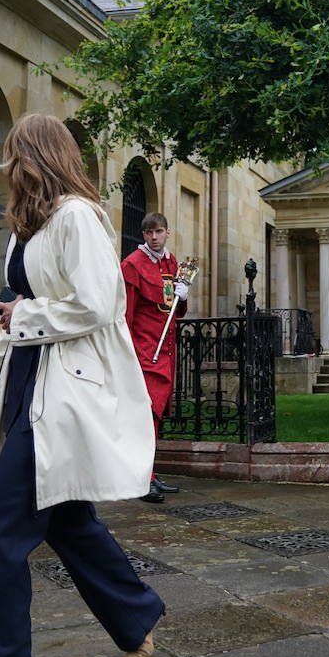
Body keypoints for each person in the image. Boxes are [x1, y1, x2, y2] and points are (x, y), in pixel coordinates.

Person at [0, 114, 164, 657]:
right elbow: (25, 321)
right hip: (29, 379)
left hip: (64, 392)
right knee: (66, 520)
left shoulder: (78, 216)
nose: (9, 166)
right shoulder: (28, 226)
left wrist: (24, 313)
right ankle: (136, 618)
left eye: (17, 155)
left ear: (42, 157)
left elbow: (95, 305)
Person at [121, 212, 193, 503]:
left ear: (167, 233)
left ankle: (148, 474)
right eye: (149, 232)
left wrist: (183, 296)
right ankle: (140, 479)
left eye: (159, 232)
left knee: (156, 415)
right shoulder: (131, 265)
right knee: (145, 416)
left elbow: (174, 310)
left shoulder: (172, 263)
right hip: (143, 353)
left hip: (166, 352)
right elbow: (125, 316)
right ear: (143, 234)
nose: (154, 237)